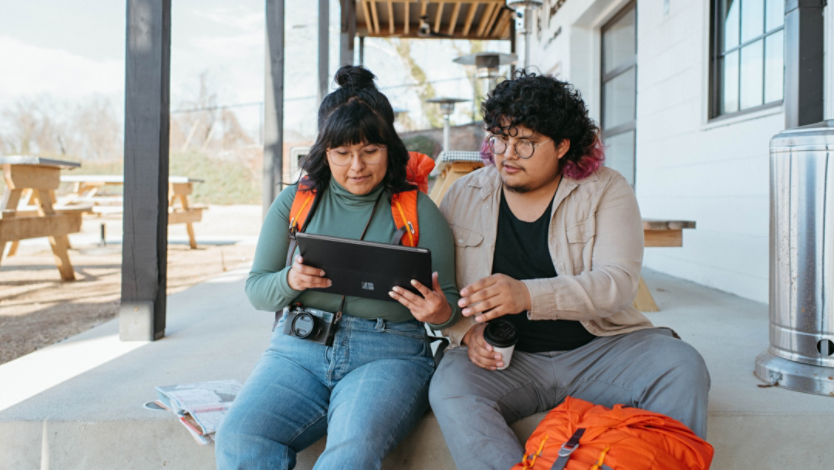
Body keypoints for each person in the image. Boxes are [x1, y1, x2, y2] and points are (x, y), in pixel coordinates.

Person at [428, 71, 711, 470]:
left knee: (680, 364)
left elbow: (618, 284)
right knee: (451, 385)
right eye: (500, 138)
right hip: (508, 361)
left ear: (562, 145)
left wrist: (526, 294)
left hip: (600, 350)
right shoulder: (463, 193)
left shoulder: (607, 189)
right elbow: (446, 290)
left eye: (525, 142)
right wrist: (465, 332)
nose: (507, 154)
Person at [216, 66, 461, 470]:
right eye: (342, 153)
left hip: (390, 352)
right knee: (242, 436)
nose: (356, 166)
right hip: (298, 349)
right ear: (324, 151)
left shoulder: (417, 211)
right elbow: (257, 289)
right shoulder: (297, 202)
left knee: (350, 454)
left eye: (370, 151)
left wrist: (439, 312)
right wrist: (290, 280)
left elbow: (449, 302)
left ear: (389, 147)